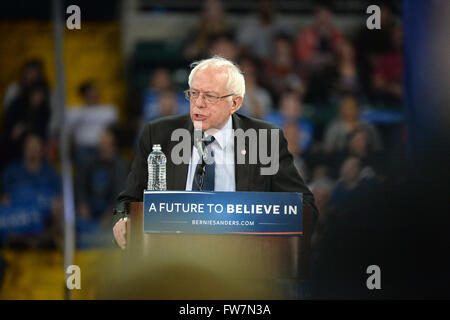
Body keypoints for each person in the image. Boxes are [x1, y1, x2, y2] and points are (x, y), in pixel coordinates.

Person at [112, 56, 317, 249]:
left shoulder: (264, 140)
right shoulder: (158, 134)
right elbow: (129, 199)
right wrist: (123, 219)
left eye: (209, 96)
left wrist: (265, 230)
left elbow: (305, 208)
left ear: (235, 103)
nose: (198, 103)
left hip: (241, 263)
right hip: (174, 260)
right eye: (193, 93)